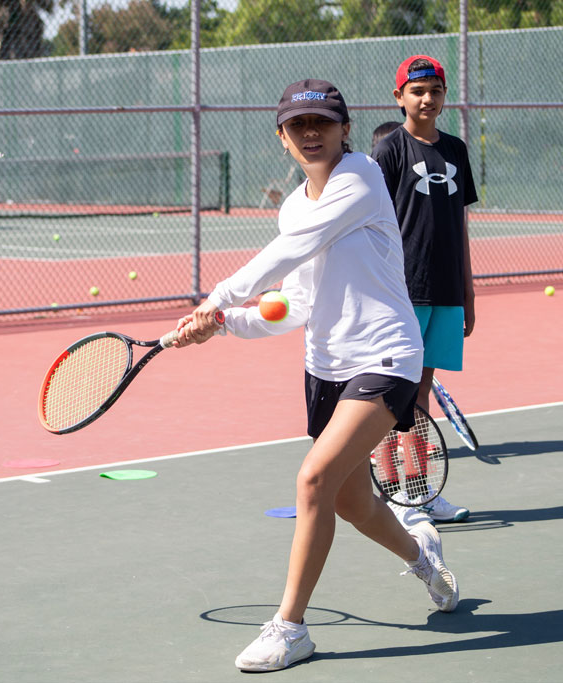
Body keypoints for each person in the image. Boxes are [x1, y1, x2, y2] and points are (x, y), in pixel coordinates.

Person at [174, 79, 459, 673]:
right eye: (297, 125)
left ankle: (290, 628)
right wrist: (225, 322)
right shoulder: (293, 204)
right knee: (353, 500)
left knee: (311, 482)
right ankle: (426, 562)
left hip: (385, 357)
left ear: (344, 129)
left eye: (322, 123)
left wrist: (216, 297)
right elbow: (295, 305)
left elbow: (289, 249)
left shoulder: (361, 178)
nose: (311, 133)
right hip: (325, 369)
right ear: (281, 137)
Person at [372, 55, 477, 523]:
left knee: (420, 395)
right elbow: (370, 222)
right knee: (392, 397)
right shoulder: (391, 151)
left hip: (447, 293)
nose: (427, 99)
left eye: (434, 90)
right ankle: (394, 490)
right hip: (402, 293)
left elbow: (461, 225)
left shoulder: (455, 149)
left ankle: (419, 493)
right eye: (417, 91)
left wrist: (468, 293)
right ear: (400, 98)